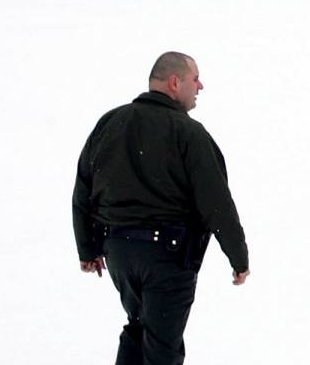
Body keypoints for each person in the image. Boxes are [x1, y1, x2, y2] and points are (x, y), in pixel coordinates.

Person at [73, 51, 251, 365]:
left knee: (139, 328)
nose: (200, 86)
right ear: (174, 82)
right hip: (166, 256)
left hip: (119, 253)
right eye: (195, 79)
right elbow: (216, 202)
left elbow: (83, 190)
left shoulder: (110, 123)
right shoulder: (188, 134)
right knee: (162, 350)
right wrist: (238, 256)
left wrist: (87, 248)